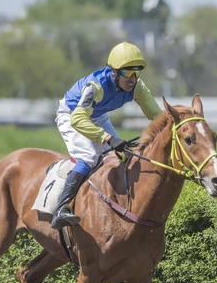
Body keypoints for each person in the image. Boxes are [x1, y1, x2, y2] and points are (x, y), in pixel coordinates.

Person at [51, 42, 162, 230]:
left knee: (124, 155)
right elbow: (78, 119)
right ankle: (61, 208)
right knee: (88, 157)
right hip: (71, 114)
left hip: (97, 116)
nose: (133, 79)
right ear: (114, 72)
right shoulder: (95, 86)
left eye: (137, 72)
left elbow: (158, 118)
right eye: (128, 72)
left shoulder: (138, 88)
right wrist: (108, 138)